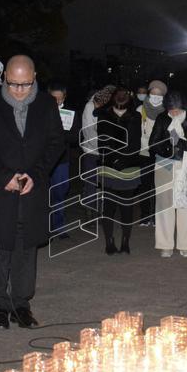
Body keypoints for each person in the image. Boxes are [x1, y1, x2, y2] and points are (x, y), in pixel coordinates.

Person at [0, 55, 64, 330]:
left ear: (34, 78)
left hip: (32, 188)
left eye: (25, 84)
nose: (19, 90)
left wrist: (36, 174)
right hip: (0, 190)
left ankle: (21, 304)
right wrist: (4, 177)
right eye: (12, 84)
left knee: (26, 248)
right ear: (4, 79)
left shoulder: (46, 104)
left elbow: (56, 143)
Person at [149, 91, 187, 257]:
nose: (174, 113)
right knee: (164, 205)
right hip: (165, 165)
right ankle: (165, 244)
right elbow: (153, 143)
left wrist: (183, 143)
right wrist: (168, 147)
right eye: (171, 110)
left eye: (178, 110)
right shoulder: (162, 118)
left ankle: (186, 244)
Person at [96, 86, 142, 255]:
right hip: (109, 166)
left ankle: (125, 241)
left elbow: (135, 143)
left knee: (126, 207)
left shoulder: (135, 116)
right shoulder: (103, 116)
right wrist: (114, 159)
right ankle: (109, 242)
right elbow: (102, 143)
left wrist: (123, 160)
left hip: (129, 166)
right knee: (108, 207)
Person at [78, 85, 115, 217]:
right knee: (91, 182)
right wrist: (103, 145)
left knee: (105, 182)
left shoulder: (110, 107)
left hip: (107, 151)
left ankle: (102, 210)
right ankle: (90, 211)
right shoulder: (90, 106)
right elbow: (89, 131)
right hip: (92, 150)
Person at [48, 82, 78, 239]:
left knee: (59, 193)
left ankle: (59, 226)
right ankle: (44, 228)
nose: (57, 101)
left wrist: (61, 132)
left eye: (60, 98)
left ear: (64, 97)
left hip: (61, 160)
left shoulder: (71, 113)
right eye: (54, 98)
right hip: (43, 159)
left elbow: (75, 138)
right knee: (42, 194)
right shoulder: (42, 111)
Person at [136, 79, 167, 227]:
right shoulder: (140, 110)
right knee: (145, 186)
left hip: (160, 154)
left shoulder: (166, 112)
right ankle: (145, 216)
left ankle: (156, 216)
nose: (155, 97)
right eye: (153, 93)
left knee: (159, 187)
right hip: (144, 153)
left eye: (159, 95)